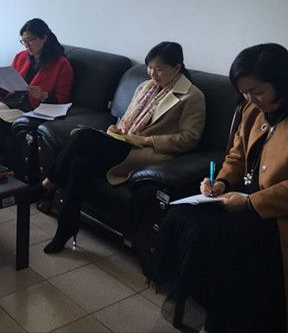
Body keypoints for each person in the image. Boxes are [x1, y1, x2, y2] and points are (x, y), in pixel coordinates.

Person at [155, 43, 288, 332]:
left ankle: (224, 319)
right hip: (241, 195)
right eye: (244, 92)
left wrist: (251, 202)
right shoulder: (252, 110)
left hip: (275, 211)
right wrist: (221, 182)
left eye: (257, 91)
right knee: (182, 216)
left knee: (214, 236)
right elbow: (236, 157)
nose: (250, 99)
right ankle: (204, 307)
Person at [42, 41, 206, 254]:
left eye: (159, 69)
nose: (152, 73)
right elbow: (127, 120)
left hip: (149, 151)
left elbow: (189, 138)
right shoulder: (145, 87)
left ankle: (50, 180)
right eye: (149, 67)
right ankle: (65, 229)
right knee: (80, 164)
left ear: (177, 67)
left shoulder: (192, 96)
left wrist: (146, 141)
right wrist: (117, 129)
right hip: (124, 142)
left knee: (82, 137)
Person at [0, 18, 73, 165]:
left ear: (44, 38)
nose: (27, 45)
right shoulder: (21, 57)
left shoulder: (61, 64)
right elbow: (10, 86)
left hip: (31, 109)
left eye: (30, 40)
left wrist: (43, 95)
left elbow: (63, 98)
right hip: (11, 102)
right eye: (23, 41)